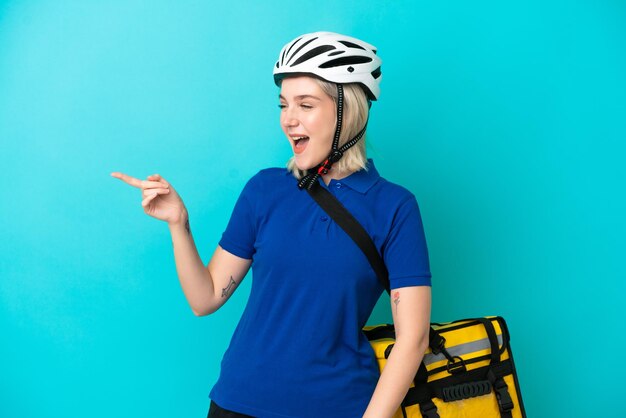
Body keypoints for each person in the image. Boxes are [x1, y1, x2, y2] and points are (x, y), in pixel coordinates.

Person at [111, 31, 432, 418]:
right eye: (284, 105)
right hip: (235, 403)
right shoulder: (265, 189)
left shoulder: (394, 207)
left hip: (336, 407)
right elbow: (206, 298)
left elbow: (413, 340)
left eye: (306, 104)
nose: (289, 120)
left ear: (350, 110)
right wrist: (179, 225)